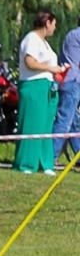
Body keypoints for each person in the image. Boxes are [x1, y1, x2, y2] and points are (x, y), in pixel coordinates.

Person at [14, 9, 61, 175]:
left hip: (48, 87)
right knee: (32, 125)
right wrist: (50, 67)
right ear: (47, 23)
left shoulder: (45, 44)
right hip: (33, 86)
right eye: (54, 24)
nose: (55, 28)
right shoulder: (31, 39)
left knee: (45, 125)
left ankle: (44, 162)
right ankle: (26, 163)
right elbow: (30, 62)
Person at [54, 20, 80, 166]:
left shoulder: (71, 35)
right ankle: (51, 157)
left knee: (74, 123)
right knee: (65, 120)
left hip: (66, 80)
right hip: (73, 81)